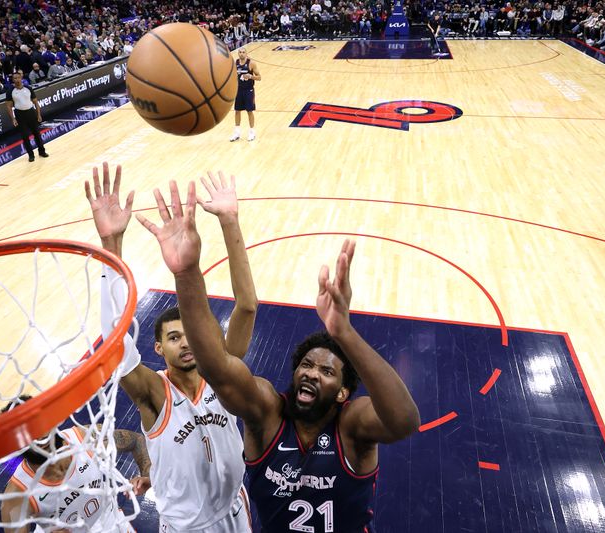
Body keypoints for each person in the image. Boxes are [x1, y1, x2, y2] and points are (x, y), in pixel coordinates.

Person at [136, 182, 421, 533]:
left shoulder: (352, 426)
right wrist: (187, 272)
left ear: (343, 392)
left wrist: (344, 332)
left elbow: (404, 421)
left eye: (327, 371)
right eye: (307, 365)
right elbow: (217, 368)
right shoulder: (268, 414)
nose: (313, 373)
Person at [85, 163, 257, 532]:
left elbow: (247, 306)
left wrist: (229, 220)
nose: (185, 343)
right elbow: (116, 343)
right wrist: (111, 245)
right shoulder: (154, 393)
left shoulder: (223, 374)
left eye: (188, 334)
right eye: (174, 337)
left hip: (237, 512)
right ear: (159, 349)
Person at [0, 395, 151, 532]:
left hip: (111, 523)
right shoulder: (18, 494)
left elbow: (136, 441)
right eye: (28, 434)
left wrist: (147, 475)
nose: (40, 437)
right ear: (16, 445)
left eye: (39, 424)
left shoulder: (84, 438)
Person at [5, 71, 48, 162]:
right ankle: (31, 155)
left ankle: (42, 151)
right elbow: (8, 106)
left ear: (21, 78)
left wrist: (38, 114)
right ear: (13, 80)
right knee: (25, 136)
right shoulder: (10, 91)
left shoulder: (28, 88)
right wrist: (13, 119)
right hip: (20, 114)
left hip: (31, 112)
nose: (17, 80)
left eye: (18, 77)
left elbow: (36, 102)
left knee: (36, 133)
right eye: (15, 78)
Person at [229, 48, 261, 142]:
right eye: (240, 52)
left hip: (248, 90)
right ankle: (237, 133)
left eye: (243, 52)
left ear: (246, 53)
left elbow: (259, 77)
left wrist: (250, 76)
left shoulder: (251, 63)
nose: (242, 54)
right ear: (238, 53)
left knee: (249, 111)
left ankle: (252, 132)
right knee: (237, 111)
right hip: (238, 90)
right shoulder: (235, 63)